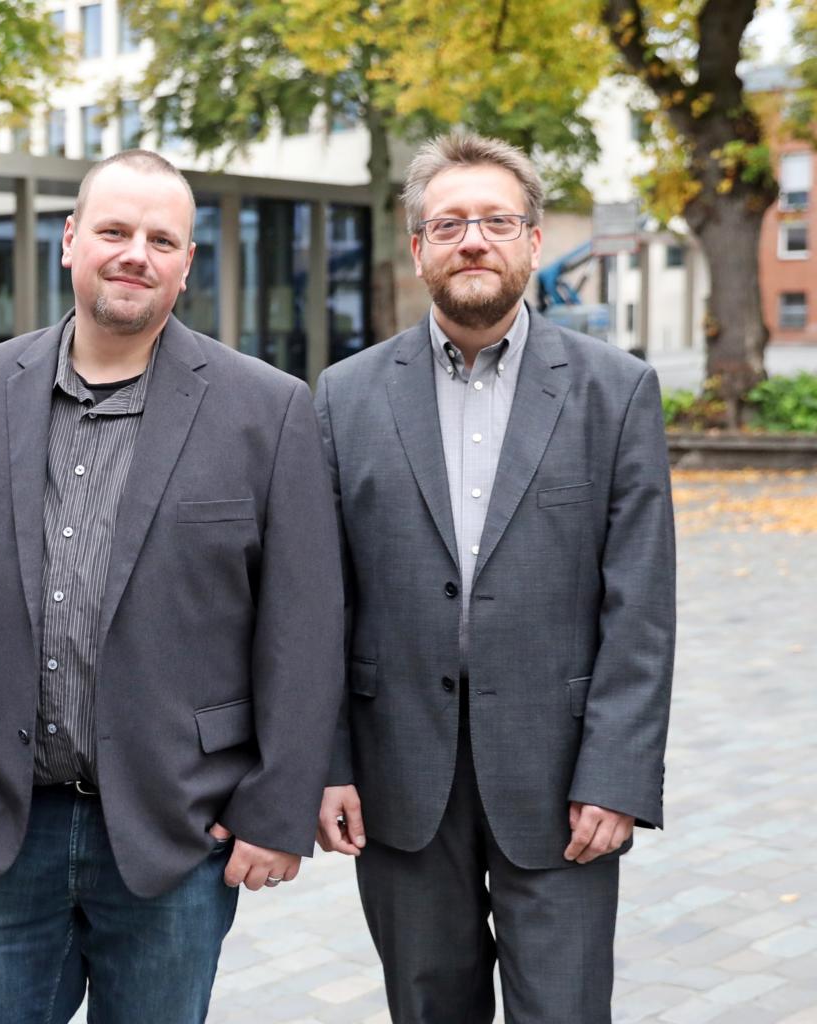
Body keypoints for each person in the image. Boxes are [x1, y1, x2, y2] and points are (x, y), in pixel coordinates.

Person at [0, 149, 343, 1023]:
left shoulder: (268, 410)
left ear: (186, 263)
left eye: (161, 239)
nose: (136, 252)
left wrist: (276, 810)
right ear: (69, 241)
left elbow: (304, 626)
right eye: (114, 230)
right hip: (0, 830)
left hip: (177, 833)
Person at [313, 132, 675, 1023]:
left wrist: (619, 774)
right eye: (450, 223)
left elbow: (641, 603)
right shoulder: (343, 396)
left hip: (562, 784)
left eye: (496, 220)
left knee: (565, 1009)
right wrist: (327, 765)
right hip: (399, 779)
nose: (473, 239)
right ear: (419, 248)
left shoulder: (616, 392)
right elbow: (320, 602)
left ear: (534, 240)